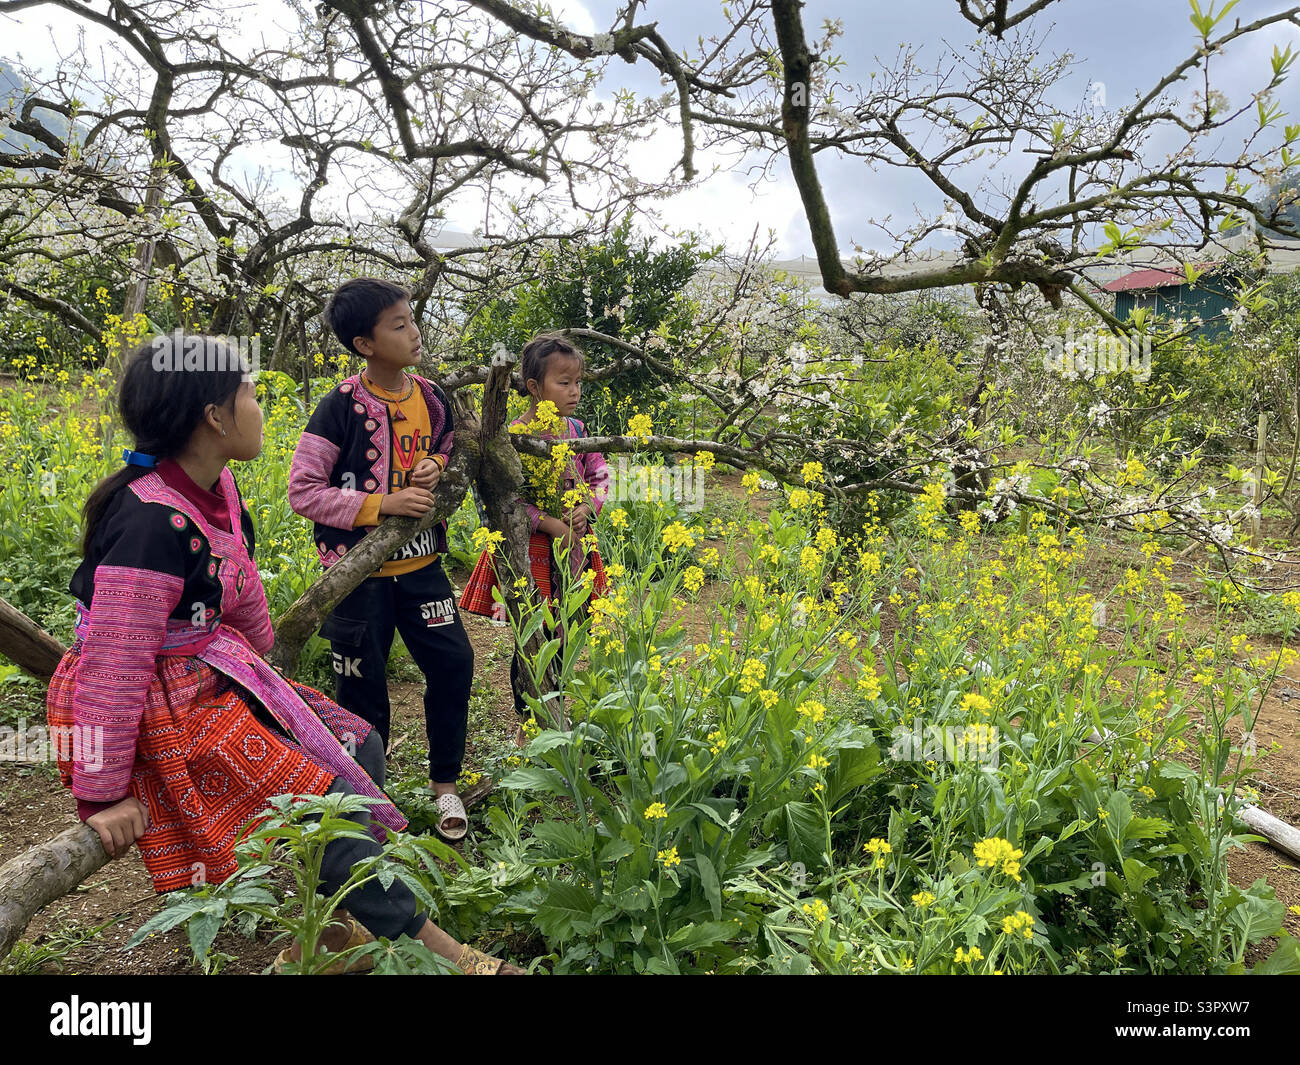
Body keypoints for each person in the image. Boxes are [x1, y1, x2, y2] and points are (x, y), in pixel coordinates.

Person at [47, 334, 520, 974]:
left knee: (357, 744)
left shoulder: (217, 486)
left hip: (213, 675)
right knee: (318, 795)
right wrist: (104, 794)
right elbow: (111, 670)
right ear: (213, 417)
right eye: (249, 393)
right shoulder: (150, 523)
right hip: (162, 708)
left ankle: (328, 931)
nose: (260, 406)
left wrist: (265, 670)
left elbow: (239, 589)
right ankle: (445, 954)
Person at [288, 278, 474, 842]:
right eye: (399, 325)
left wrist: (435, 467)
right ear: (364, 344)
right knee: (361, 688)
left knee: (454, 663)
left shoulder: (432, 396)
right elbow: (303, 489)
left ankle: (446, 786)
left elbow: (447, 443)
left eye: (412, 319)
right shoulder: (340, 405)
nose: (414, 331)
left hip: (422, 569)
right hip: (356, 577)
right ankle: (372, 804)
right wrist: (381, 504)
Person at [458, 334, 610, 746]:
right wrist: (549, 523)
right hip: (534, 552)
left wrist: (587, 509)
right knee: (533, 634)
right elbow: (504, 500)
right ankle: (529, 719)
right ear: (533, 388)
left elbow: (599, 477)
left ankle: (554, 708)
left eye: (579, 382)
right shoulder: (514, 438)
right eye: (564, 383)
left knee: (568, 628)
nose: (575, 391)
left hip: (575, 550)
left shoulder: (577, 430)